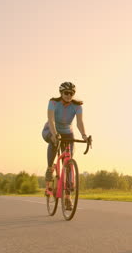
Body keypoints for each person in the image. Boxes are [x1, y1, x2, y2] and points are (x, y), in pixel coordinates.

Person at [42, 82, 88, 210]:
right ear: (61, 93)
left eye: (71, 93)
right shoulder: (53, 102)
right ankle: (50, 167)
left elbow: (79, 122)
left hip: (67, 132)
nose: (69, 95)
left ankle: (68, 198)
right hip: (51, 129)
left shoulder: (77, 106)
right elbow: (50, 120)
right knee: (53, 140)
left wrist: (84, 135)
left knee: (68, 162)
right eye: (66, 93)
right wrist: (55, 134)